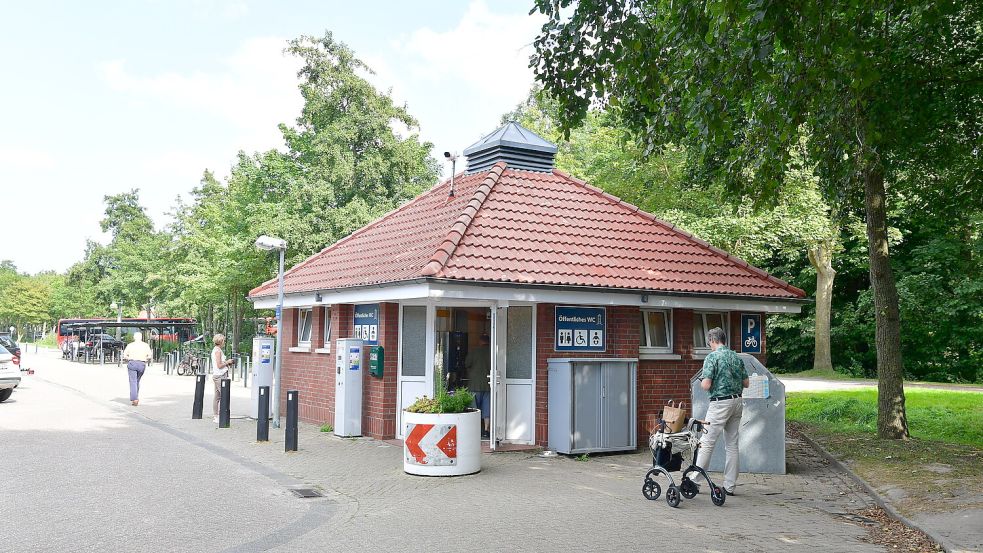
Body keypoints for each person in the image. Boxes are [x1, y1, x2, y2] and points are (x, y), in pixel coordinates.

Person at [695, 327, 749, 496]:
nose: (709, 346)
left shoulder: (712, 357)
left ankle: (694, 481)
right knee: (732, 445)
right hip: (737, 401)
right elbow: (746, 383)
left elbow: (706, 385)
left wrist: (703, 380)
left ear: (712, 340)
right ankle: (730, 486)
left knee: (707, 442)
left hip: (720, 404)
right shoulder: (736, 356)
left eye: (709, 342)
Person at [464, 333, 491, 439]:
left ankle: (474, 431)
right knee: (487, 408)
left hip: (474, 384)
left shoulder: (474, 351)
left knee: (474, 409)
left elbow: (467, 364)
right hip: (488, 384)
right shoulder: (492, 352)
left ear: (480, 341)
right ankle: (486, 430)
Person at [122, 332, 153, 406]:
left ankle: (134, 399)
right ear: (141, 337)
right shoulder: (145, 345)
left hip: (132, 363)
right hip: (142, 364)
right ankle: (136, 396)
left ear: (134, 337)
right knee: (137, 381)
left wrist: (129, 358)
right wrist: (144, 358)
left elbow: (125, 355)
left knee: (133, 381)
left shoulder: (130, 345)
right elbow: (149, 356)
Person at [211, 334, 235, 423]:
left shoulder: (216, 350)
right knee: (223, 396)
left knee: (217, 396)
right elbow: (219, 365)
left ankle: (216, 416)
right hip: (220, 376)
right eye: (224, 340)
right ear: (220, 341)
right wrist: (228, 362)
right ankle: (220, 416)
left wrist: (226, 363)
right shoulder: (218, 351)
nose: (224, 342)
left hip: (218, 375)